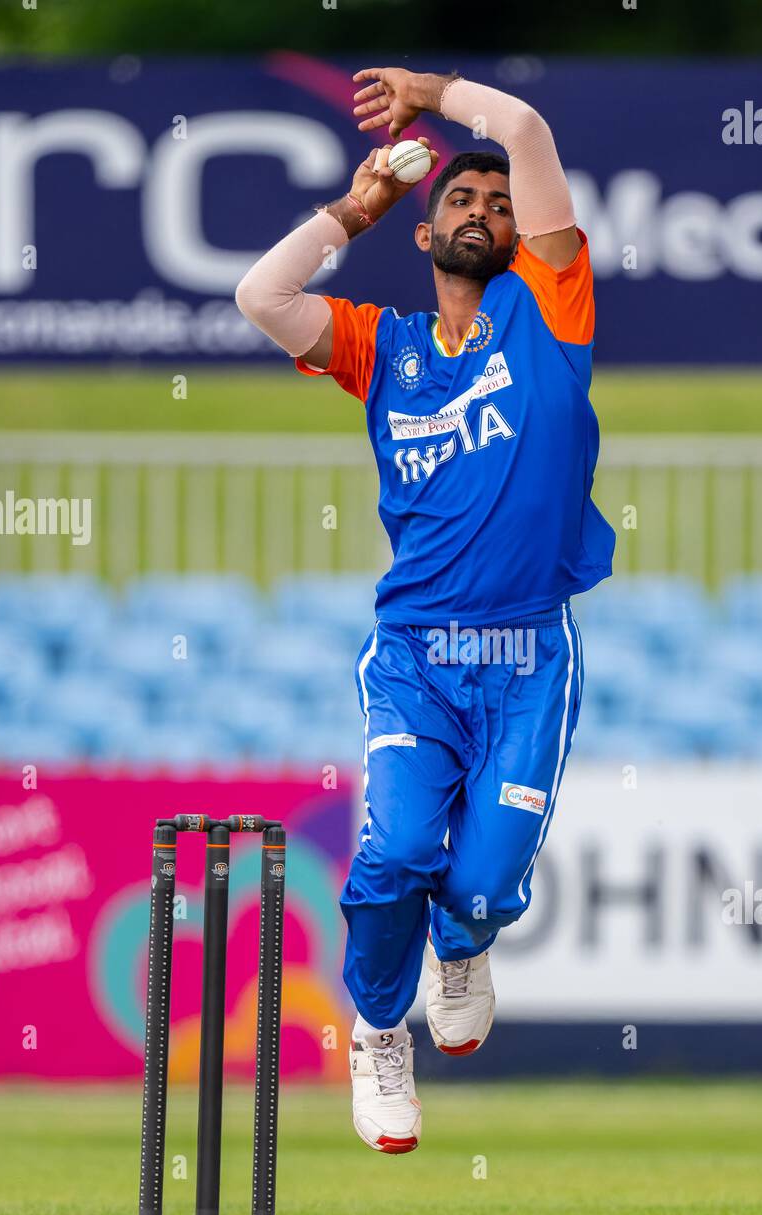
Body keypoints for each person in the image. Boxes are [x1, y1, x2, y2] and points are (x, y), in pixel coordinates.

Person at [236, 65, 614, 1153]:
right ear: (421, 231)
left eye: (500, 204)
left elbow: (527, 126)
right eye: (461, 198)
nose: (485, 211)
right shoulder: (384, 350)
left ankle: (465, 943)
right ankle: (377, 1031)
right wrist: (349, 212)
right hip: (413, 652)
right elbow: (259, 299)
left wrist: (430, 90)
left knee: (485, 879)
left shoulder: (550, 309)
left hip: (528, 654)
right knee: (395, 850)